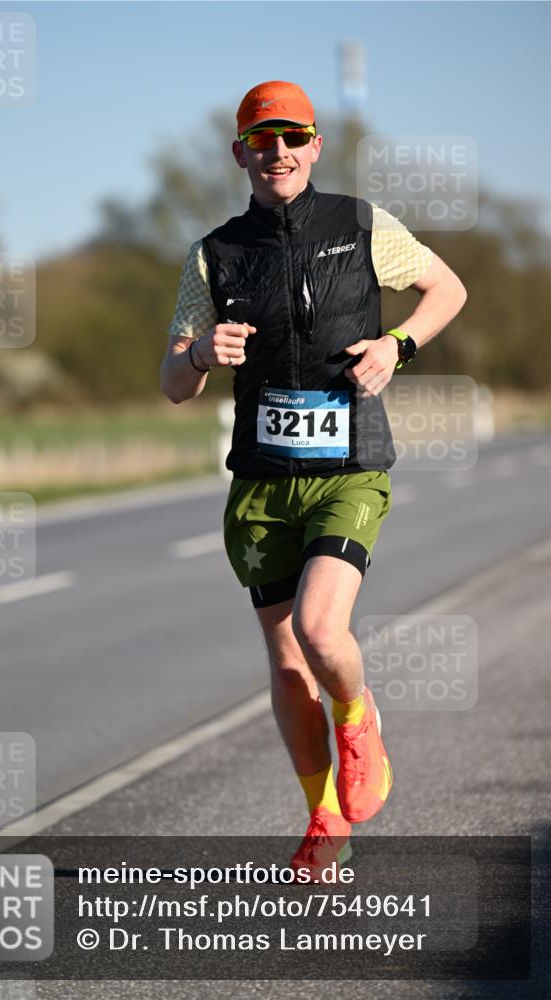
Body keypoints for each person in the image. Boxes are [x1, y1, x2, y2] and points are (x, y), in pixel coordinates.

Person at [160, 80, 467, 879]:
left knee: (320, 631)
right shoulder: (214, 253)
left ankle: (357, 717)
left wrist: (396, 345)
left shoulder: (361, 225)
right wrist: (199, 354)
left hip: (348, 467)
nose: (279, 152)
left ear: (315, 146)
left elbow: (447, 289)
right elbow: (172, 381)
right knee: (287, 661)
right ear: (240, 154)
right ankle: (323, 817)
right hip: (262, 483)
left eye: (293, 137)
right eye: (261, 141)